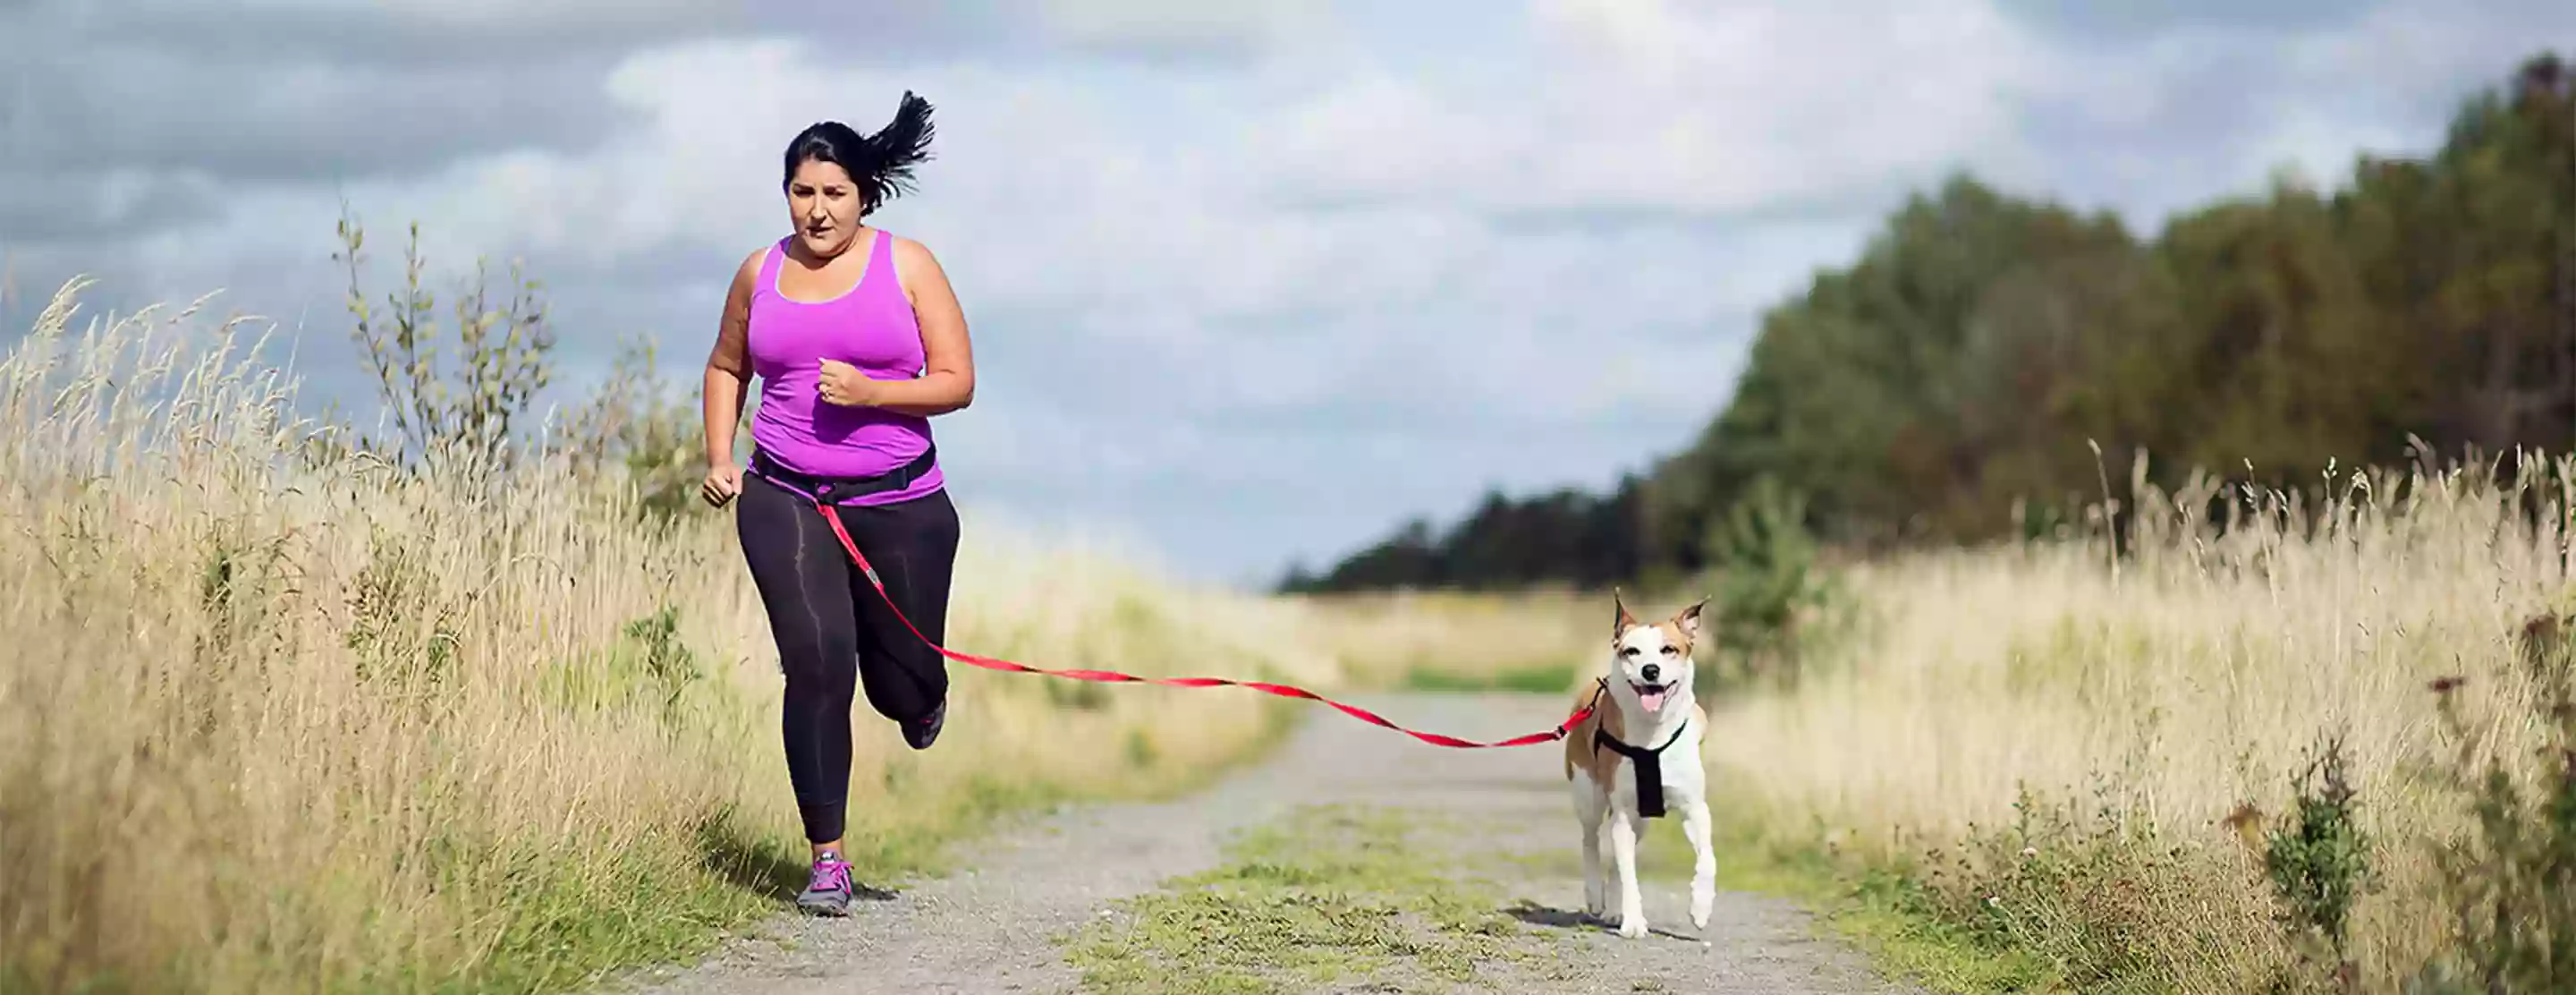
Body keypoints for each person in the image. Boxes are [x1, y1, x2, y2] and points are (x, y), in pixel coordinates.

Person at [696, 91, 975, 918]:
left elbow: (957, 383)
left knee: (898, 684)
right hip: (784, 493)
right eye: (802, 192)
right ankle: (827, 859)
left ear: (864, 196)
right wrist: (722, 456)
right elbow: (725, 367)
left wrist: (872, 392)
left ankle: (923, 697)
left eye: (834, 194)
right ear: (787, 193)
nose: (817, 211)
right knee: (817, 662)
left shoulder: (909, 265)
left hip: (900, 503)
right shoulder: (760, 272)